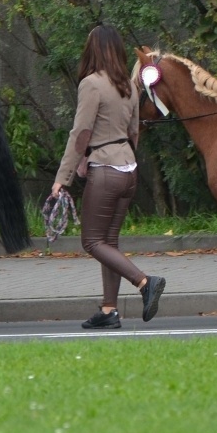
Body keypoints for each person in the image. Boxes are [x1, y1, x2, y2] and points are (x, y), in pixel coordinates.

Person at [49, 24, 166, 329]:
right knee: (109, 242)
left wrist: (64, 177)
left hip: (106, 172)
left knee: (91, 242)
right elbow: (133, 132)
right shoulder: (129, 86)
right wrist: (116, 156)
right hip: (128, 170)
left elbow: (81, 133)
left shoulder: (91, 84)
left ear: (93, 50)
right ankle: (109, 310)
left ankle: (144, 282)